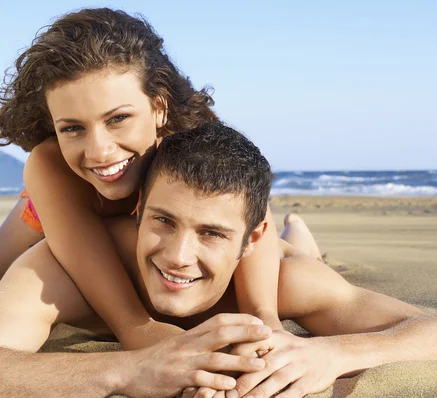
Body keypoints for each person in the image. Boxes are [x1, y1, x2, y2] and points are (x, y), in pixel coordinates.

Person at [0, 122, 437, 397]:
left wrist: (330, 353)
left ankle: (296, 232)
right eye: (163, 221)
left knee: (305, 258)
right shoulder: (58, 271)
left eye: (211, 233)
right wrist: (128, 369)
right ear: (139, 208)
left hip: (278, 251)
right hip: (43, 214)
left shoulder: (283, 280)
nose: (178, 257)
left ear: (251, 239)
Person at [0, 8, 283, 350]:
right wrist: (138, 328)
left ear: (159, 107)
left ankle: (298, 233)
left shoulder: (193, 139)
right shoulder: (51, 164)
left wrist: (264, 319)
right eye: (72, 127)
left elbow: (253, 214)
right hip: (55, 207)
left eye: (118, 118)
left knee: (275, 246)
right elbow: (126, 319)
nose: (100, 151)